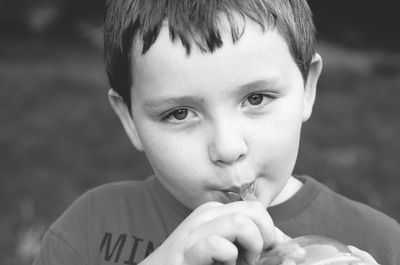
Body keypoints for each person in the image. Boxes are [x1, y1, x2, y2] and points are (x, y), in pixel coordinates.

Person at [34, 0, 400, 264]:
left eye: (256, 98)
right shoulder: (88, 232)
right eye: (179, 113)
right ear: (129, 118)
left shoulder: (380, 244)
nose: (227, 148)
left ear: (307, 88)